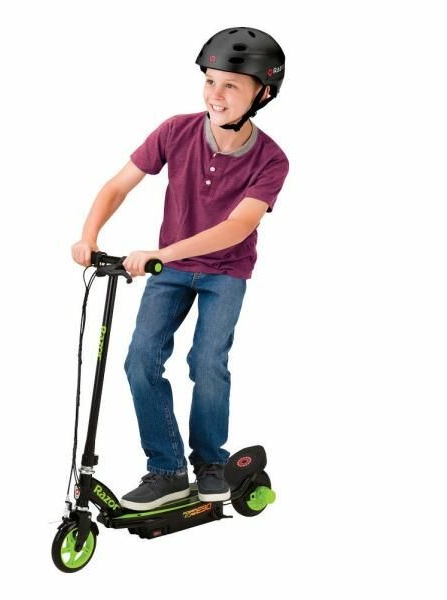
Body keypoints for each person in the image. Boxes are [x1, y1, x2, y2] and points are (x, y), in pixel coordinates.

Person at [71, 27, 289, 511]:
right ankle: (167, 469)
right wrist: (89, 236)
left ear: (263, 94)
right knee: (140, 360)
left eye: (231, 85)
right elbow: (117, 186)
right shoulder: (175, 130)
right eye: (210, 81)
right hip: (168, 269)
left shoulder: (271, 159)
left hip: (224, 272)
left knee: (207, 362)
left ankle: (211, 462)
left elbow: (237, 227)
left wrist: (163, 253)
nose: (216, 94)